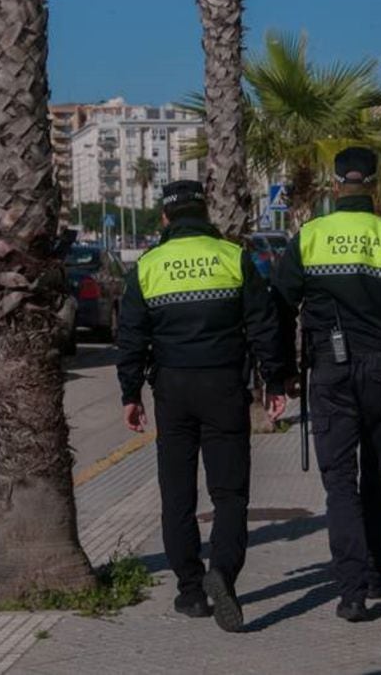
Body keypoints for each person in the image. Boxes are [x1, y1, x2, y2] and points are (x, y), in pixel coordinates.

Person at [272, 147, 381, 623]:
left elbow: (279, 306)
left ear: (335, 183)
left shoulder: (310, 237)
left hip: (329, 372)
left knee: (340, 484)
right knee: (377, 475)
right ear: (374, 181)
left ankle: (351, 591)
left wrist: (280, 370)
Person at [116, 180, 287, 633]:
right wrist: (275, 379)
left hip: (172, 390)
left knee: (178, 495)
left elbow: (130, 335)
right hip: (224, 386)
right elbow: (263, 322)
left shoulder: (149, 265)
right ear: (204, 212)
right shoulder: (232, 257)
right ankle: (223, 572)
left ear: (166, 218)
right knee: (229, 494)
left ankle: (191, 591)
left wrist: (130, 394)